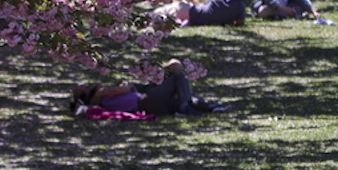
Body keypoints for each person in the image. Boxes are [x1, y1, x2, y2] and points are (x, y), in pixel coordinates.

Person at [70, 59, 225, 117]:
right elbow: (126, 90)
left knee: (178, 97)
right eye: (84, 86)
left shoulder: (103, 102)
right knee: (177, 74)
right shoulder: (103, 92)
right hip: (146, 100)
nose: (87, 84)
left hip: (153, 108)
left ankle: (207, 107)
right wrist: (128, 85)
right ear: (87, 92)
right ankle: (194, 106)